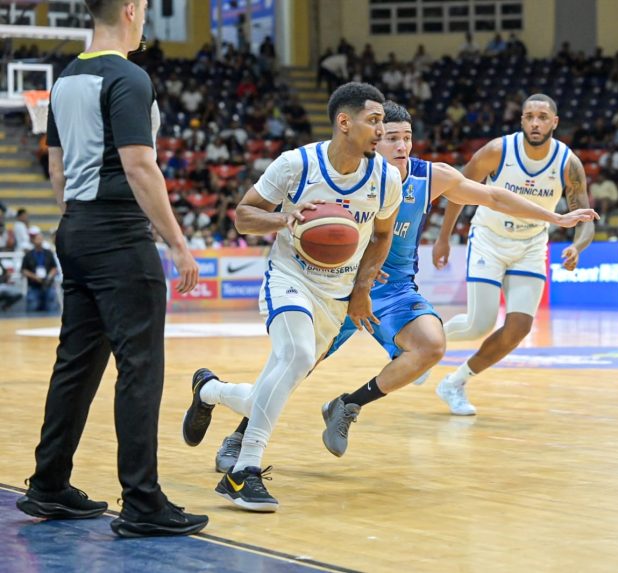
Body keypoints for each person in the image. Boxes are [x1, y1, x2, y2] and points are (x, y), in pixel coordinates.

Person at [209, 102, 598, 466]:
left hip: (392, 289)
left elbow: (493, 195)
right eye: (392, 137)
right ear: (375, 139)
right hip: (343, 284)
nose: (401, 145)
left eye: (407, 137)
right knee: (296, 366)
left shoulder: (430, 176)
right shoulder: (354, 174)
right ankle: (239, 435)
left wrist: (555, 218)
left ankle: (348, 405)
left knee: (432, 346)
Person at [16, 0, 207, 538]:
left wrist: (79, 221)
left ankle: (49, 483)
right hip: (119, 233)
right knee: (140, 367)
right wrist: (178, 244)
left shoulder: (65, 79)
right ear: (128, 10)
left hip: (76, 227)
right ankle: (142, 501)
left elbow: (56, 168)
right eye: (143, 7)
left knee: (75, 365)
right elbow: (139, 165)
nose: (144, 17)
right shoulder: (127, 76)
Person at [181, 82, 402, 512]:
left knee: (270, 391)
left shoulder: (385, 178)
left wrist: (361, 290)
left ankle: (210, 390)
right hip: (290, 277)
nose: (381, 130)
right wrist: (283, 218)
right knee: (297, 355)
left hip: (337, 295)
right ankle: (243, 472)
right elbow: (244, 216)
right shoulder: (296, 164)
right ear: (344, 122)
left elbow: (382, 235)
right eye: (374, 120)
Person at [431, 94, 595, 415]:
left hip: (531, 244)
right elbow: (457, 189)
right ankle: (423, 346)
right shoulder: (498, 150)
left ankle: (454, 382)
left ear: (554, 122)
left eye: (542, 117)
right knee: (479, 324)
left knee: (518, 328)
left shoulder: (568, 163)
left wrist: (577, 246)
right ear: (521, 120)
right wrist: (443, 237)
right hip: (490, 239)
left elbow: (585, 217)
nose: (535, 123)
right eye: (529, 116)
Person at [20, 233, 59, 312]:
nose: (39, 241)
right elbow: (23, 270)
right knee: (33, 307)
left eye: (41, 239)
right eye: (37, 239)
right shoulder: (28, 255)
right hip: (34, 286)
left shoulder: (48, 253)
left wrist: (49, 277)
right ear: (33, 240)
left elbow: (54, 268)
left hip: (48, 285)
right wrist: (34, 277)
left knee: (51, 307)